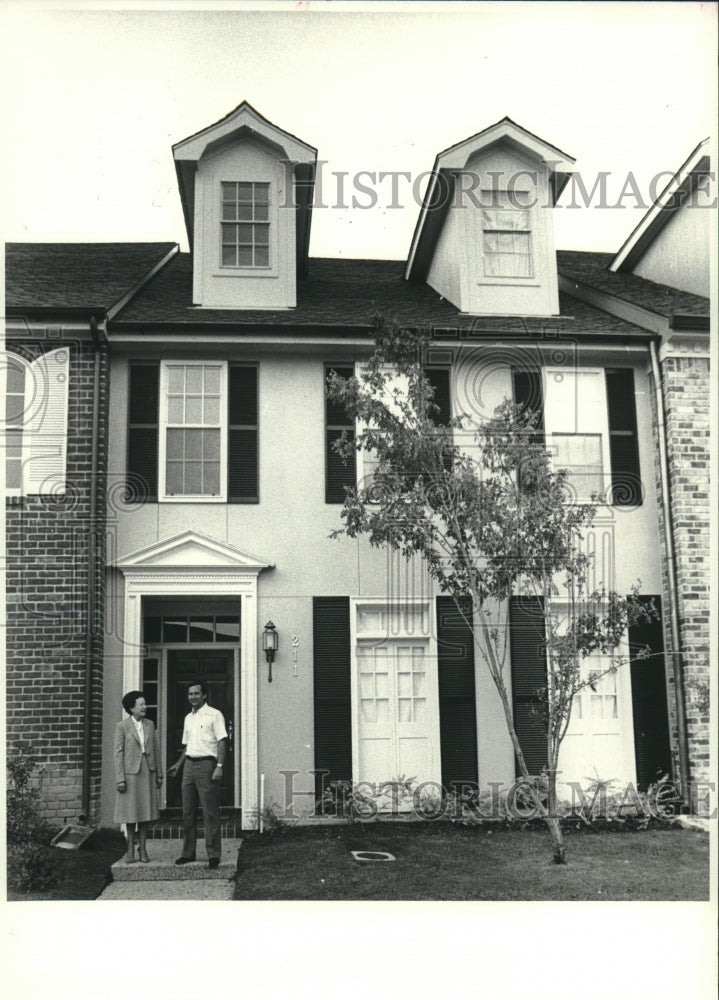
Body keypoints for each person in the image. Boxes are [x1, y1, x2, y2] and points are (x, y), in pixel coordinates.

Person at [168, 680, 227, 869]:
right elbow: (187, 746)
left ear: (204, 695)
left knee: (210, 812)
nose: (193, 697)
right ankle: (188, 853)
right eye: (190, 694)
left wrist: (219, 766)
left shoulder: (214, 715)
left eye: (196, 693)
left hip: (207, 765)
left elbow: (222, 742)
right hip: (189, 767)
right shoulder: (188, 718)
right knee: (188, 812)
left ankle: (213, 854)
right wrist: (178, 765)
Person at [114, 690, 163, 863]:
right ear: (131, 707)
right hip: (130, 774)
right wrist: (120, 778)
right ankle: (129, 849)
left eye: (144, 703)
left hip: (148, 771)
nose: (145, 707)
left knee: (145, 812)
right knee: (131, 812)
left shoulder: (149, 724)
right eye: (141, 704)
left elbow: (155, 750)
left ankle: (142, 848)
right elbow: (117, 754)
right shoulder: (122, 726)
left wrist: (159, 774)